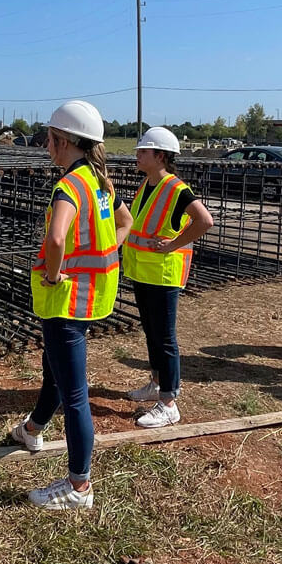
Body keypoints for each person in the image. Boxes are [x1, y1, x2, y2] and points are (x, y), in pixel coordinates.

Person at [11, 100, 133, 511]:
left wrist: (53, 273)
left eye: (49, 138)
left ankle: (80, 486)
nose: (47, 145)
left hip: (66, 300)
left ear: (63, 141)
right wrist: (106, 253)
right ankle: (32, 429)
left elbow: (58, 238)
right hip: (92, 295)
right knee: (56, 373)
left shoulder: (68, 186)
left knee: (75, 393)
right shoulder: (99, 182)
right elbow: (125, 223)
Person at [121, 126, 214, 428]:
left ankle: (169, 402)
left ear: (160, 156)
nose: (138, 155)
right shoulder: (147, 184)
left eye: (143, 151)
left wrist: (173, 245)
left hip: (162, 274)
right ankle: (157, 383)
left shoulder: (176, 189)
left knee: (165, 338)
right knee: (151, 333)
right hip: (142, 271)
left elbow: (205, 220)